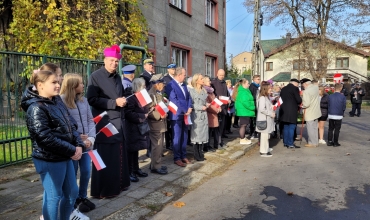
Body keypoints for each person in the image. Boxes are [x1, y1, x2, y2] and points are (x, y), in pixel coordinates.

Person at [21, 70, 86, 220]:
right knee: (54, 196)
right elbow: (45, 137)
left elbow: (72, 125)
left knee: (71, 192)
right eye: (54, 82)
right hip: (49, 159)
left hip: (64, 155)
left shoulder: (56, 101)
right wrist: (71, 150)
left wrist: (78, 144)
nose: (58, 85)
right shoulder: (36, 107)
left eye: (58, 82)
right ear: (40, 85)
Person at [86, 44, 130, 198]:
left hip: (119, 123)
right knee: (105, 157)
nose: (114, 64)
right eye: (111, 61)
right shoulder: (95, 76)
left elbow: (120, 95)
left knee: (118, 156)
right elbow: (92, 99)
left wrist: (124, 100)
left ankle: (120, 184)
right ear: (105, 60)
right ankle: (105, 190)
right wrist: (114, 103)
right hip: (105, 124)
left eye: (116, 62)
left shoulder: (118, 77)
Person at [60, 73, 96, 213]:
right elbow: (64, 126)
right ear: (73, 85)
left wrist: (91, 139)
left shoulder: (84, 101)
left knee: (86, 171)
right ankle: (72, 199)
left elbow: (90, 120)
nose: (83, 85)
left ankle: (82, 197)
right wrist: (76, 139)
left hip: (87, 145)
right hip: (73, 146)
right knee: (72, 173)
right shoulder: (61, 102)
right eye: (80, 83)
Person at [124, 78, 151, 182]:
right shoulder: (130, 97)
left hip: (139, 127)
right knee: (131, 150)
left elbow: (144, 107)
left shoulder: (140, 96)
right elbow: (128, 113)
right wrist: (142, 115)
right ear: (138, 87)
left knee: (136, 150)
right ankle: (130, 172)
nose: (145, 88)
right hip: (131, 127)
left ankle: (136, 169)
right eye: (143, 86)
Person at [165, 67, 192, 167]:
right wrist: (184, 110)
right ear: (179, 75)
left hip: (186, 114)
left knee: (184, 135)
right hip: (176, 115)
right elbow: (174, 100)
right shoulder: (170, 85)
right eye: (184, 75)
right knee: (177, 136)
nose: (185, 77)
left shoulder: (184, 85)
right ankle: (177, 158)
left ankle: (183, 155)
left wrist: (189, 107)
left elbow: (188, 98)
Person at [147, 74, 168, 175]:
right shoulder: (151, 94)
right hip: (155, 123)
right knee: (157, 146)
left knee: (160, 146)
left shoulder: (157, 93)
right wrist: (160, 115)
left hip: (160, 123)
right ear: (157, 84)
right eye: (162, 84)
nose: (164, 85)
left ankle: (156, 164)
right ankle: (155, 167)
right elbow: (149, 111)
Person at [189, 74, 209, 161]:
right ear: (196, 80)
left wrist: (206, 105)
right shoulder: (192, 91)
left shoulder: (204, 90)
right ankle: (196, 154)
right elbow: (191, 104)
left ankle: (200, 152)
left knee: (203, 134)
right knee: (196, 135)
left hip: (204, 115)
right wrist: (200, 107)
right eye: (201, 79)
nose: (203, 80)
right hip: (196, 115)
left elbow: (204, 101)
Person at [279, 79, 302, 149]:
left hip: (283, 110)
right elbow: (298, 100)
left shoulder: (283, 89)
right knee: (292, 127)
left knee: (286, 126)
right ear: (295, 83)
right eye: (298, 84)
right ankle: (290, 143)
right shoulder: (295, 89)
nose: (298, 85)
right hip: (292, 110)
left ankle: (285, 142)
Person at [256, 82, 276, 157]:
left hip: (267, 119)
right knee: (264, 136)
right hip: (264, 119)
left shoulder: (266, 97)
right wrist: (270, 113)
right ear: (265, 89)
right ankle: (263, 151)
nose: (271, 89)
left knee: (266, 136)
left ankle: (265, 148)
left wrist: (272, 108)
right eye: (270, 88)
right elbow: (262, 109)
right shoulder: (262, 98)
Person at [211, 69, 230, 146]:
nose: (222, 76)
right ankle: (217, 143)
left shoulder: (224, 83)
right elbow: (213, 96)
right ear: (217, 74)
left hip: (224, 107)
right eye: (220, 75)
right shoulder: (214, 83)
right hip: (217, 107)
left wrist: (229, 99)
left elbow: (227, 93)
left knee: (222, 127)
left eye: (223, 75)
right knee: (217, 127)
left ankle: (220, 141)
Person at [301, 78, 321, 148]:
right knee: (315, 128)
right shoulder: (315, 87)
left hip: (310, 112)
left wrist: (302, 105)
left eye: (303, 85)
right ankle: (315, 142)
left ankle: (312, 143)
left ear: (305, 84)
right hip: (316, 111)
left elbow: (306, 104)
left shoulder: (306, 91)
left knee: (310, 129)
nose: (303, 86)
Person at [235, 79, 255, 145]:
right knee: (243, 125)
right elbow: (246, 102)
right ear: (243, 84)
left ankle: (243, 137)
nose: (249, 85)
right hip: (243, 111)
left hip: (244, 111)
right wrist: (253, 107)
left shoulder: (245, 90)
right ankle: (242, 139)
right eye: (247, 83)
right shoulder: (243, 92)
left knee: (244, 125)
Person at [204, 75, 220, 152]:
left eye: (210, 81)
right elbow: (208, 104)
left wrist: (218, 106)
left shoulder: (211, 91)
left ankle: (211, 144)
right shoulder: (205, 91)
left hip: (214, 113)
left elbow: (215, 101)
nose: (210, 82)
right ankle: (206, 146)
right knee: (208, 131)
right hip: (209, 113)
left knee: (212, 130)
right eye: (208, 81)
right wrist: (216, 110)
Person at [163, 63, 176, 150]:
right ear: (168, 70)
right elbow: (164, 92)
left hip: (175, 103)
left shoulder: (175, 78)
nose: (173, 70)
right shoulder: (165, 79)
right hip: (169, 103)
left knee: (173, 124)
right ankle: (168, 143)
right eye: (172, 69)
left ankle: (173, 141)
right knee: (168, 125)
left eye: (174, 69)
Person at [248, 75, 261, 139]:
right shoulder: (252, 86)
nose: (259, 80)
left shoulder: (258, 87)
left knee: (256, 119)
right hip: (254, 105)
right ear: (254, 80)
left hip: (257, 104)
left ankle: (256, 132)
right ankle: (252, 133)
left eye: (259, 79)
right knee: (253, 120)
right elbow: (252, 97)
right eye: (258, 79)